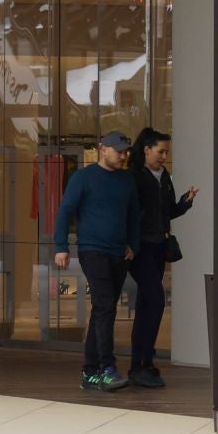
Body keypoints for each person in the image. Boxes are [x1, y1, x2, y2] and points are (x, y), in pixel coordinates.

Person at [52, 131, 143, 393]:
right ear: (103, 150)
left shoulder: (127, 180)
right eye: (119, 151)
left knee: (103, 310)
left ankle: (89, 372)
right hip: (93, 251)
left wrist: (133, 245)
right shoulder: (83, 177)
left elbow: (133, 214)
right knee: (105, 307)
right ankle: (107, 368)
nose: (124, 155)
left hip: (118, 252)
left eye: (126, 151)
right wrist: (61, 246)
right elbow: (65, 210)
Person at [125, 128, 195, 388]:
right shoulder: (133, 176)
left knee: (150, 302)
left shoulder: (164, 176)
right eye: (161, 151)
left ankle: (144, 363)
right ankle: (139, 363)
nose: (164, 156)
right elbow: (130, 212)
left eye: (167, 152)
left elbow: (167, 211)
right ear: (146, 149)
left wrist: (185, 203)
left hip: (157, 247)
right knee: (154, 300)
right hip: (140, 247)